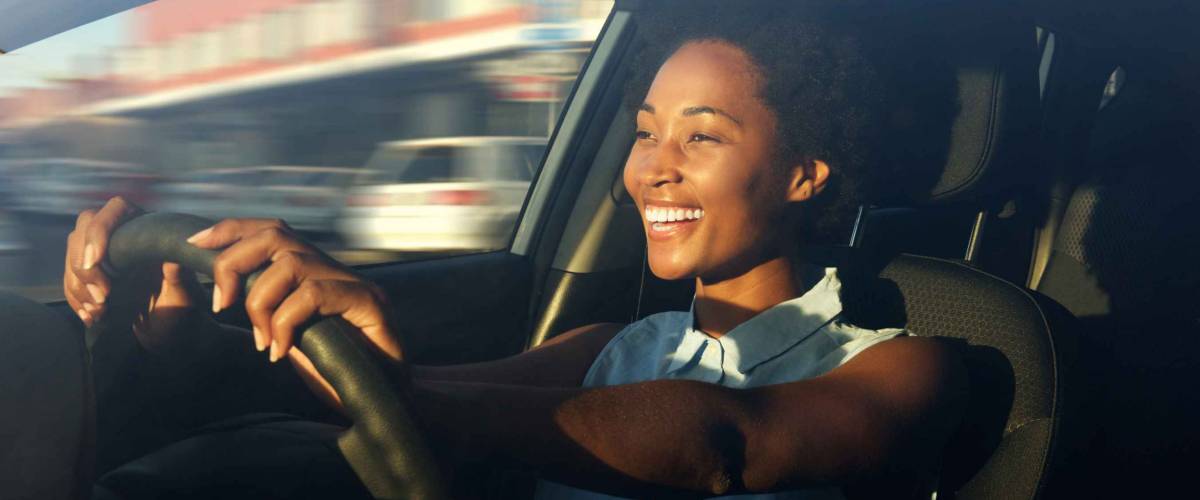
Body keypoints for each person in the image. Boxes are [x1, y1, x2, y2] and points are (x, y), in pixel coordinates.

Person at [64, 2, 965, 498]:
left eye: (701, 138)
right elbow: (425, 399)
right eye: (646, 133)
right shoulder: (615, 348)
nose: (651, 169)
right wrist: (192, 339)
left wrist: (402, 391)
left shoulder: (901, 368)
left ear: (805, 174)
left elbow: (725, 443)